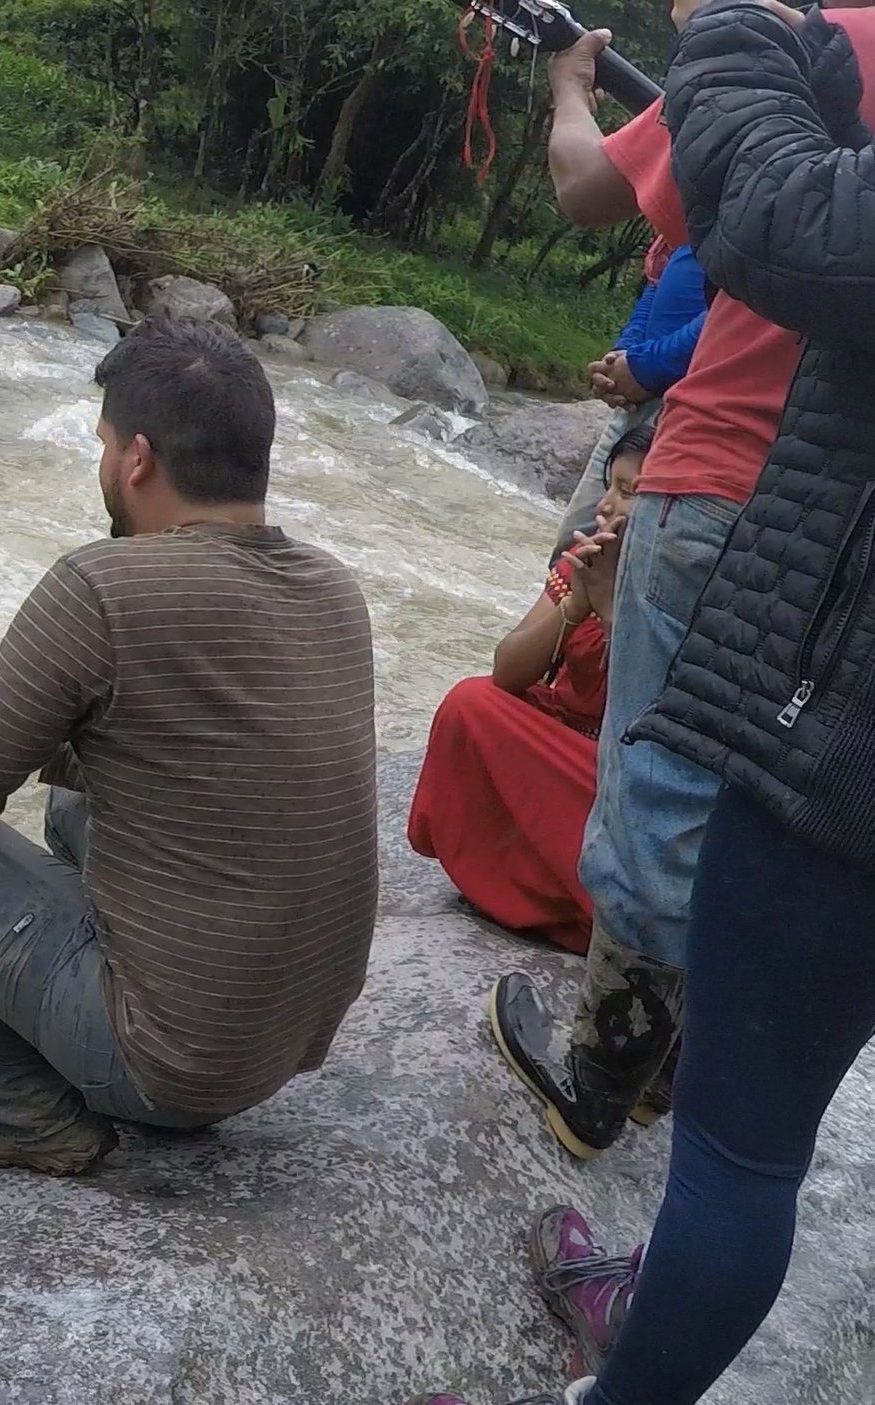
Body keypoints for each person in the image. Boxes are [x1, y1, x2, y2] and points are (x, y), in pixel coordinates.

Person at [420, 4, 875, 1402]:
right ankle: (669, 1106)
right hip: (804, 544)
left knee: (661, 781)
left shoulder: (828, 37)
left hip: (754, 516)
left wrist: (581, 80)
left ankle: (607, 1075)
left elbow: (605, 184)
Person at [0, 318, 378, 1176]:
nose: (103, 464)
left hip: (169, 1070)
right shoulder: (336, 587)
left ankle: (33, 1117)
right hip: (287, 1045)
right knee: (75, 799)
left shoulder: (101, 585)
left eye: (102, 444)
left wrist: (24, 722)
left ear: (137, 461)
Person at [410, 430, 648, 954]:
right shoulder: (579, 564)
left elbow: (649, 711)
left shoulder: (679, 588)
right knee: (471, 704)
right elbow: (507, 673)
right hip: (562, 743)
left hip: (621, 770)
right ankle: (514, 883)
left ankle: (574, 906)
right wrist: (577, 602)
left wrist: (610, 607)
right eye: (611, 486)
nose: (606, 504)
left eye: (629, 491)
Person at [551, 241, 706, 562]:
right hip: (639, 395)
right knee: (572, 552)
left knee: (623, 560)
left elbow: (737, 308)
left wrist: (644, 366)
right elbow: (657, 279)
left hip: (694, 406)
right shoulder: (688, 209)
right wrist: (623, 355)